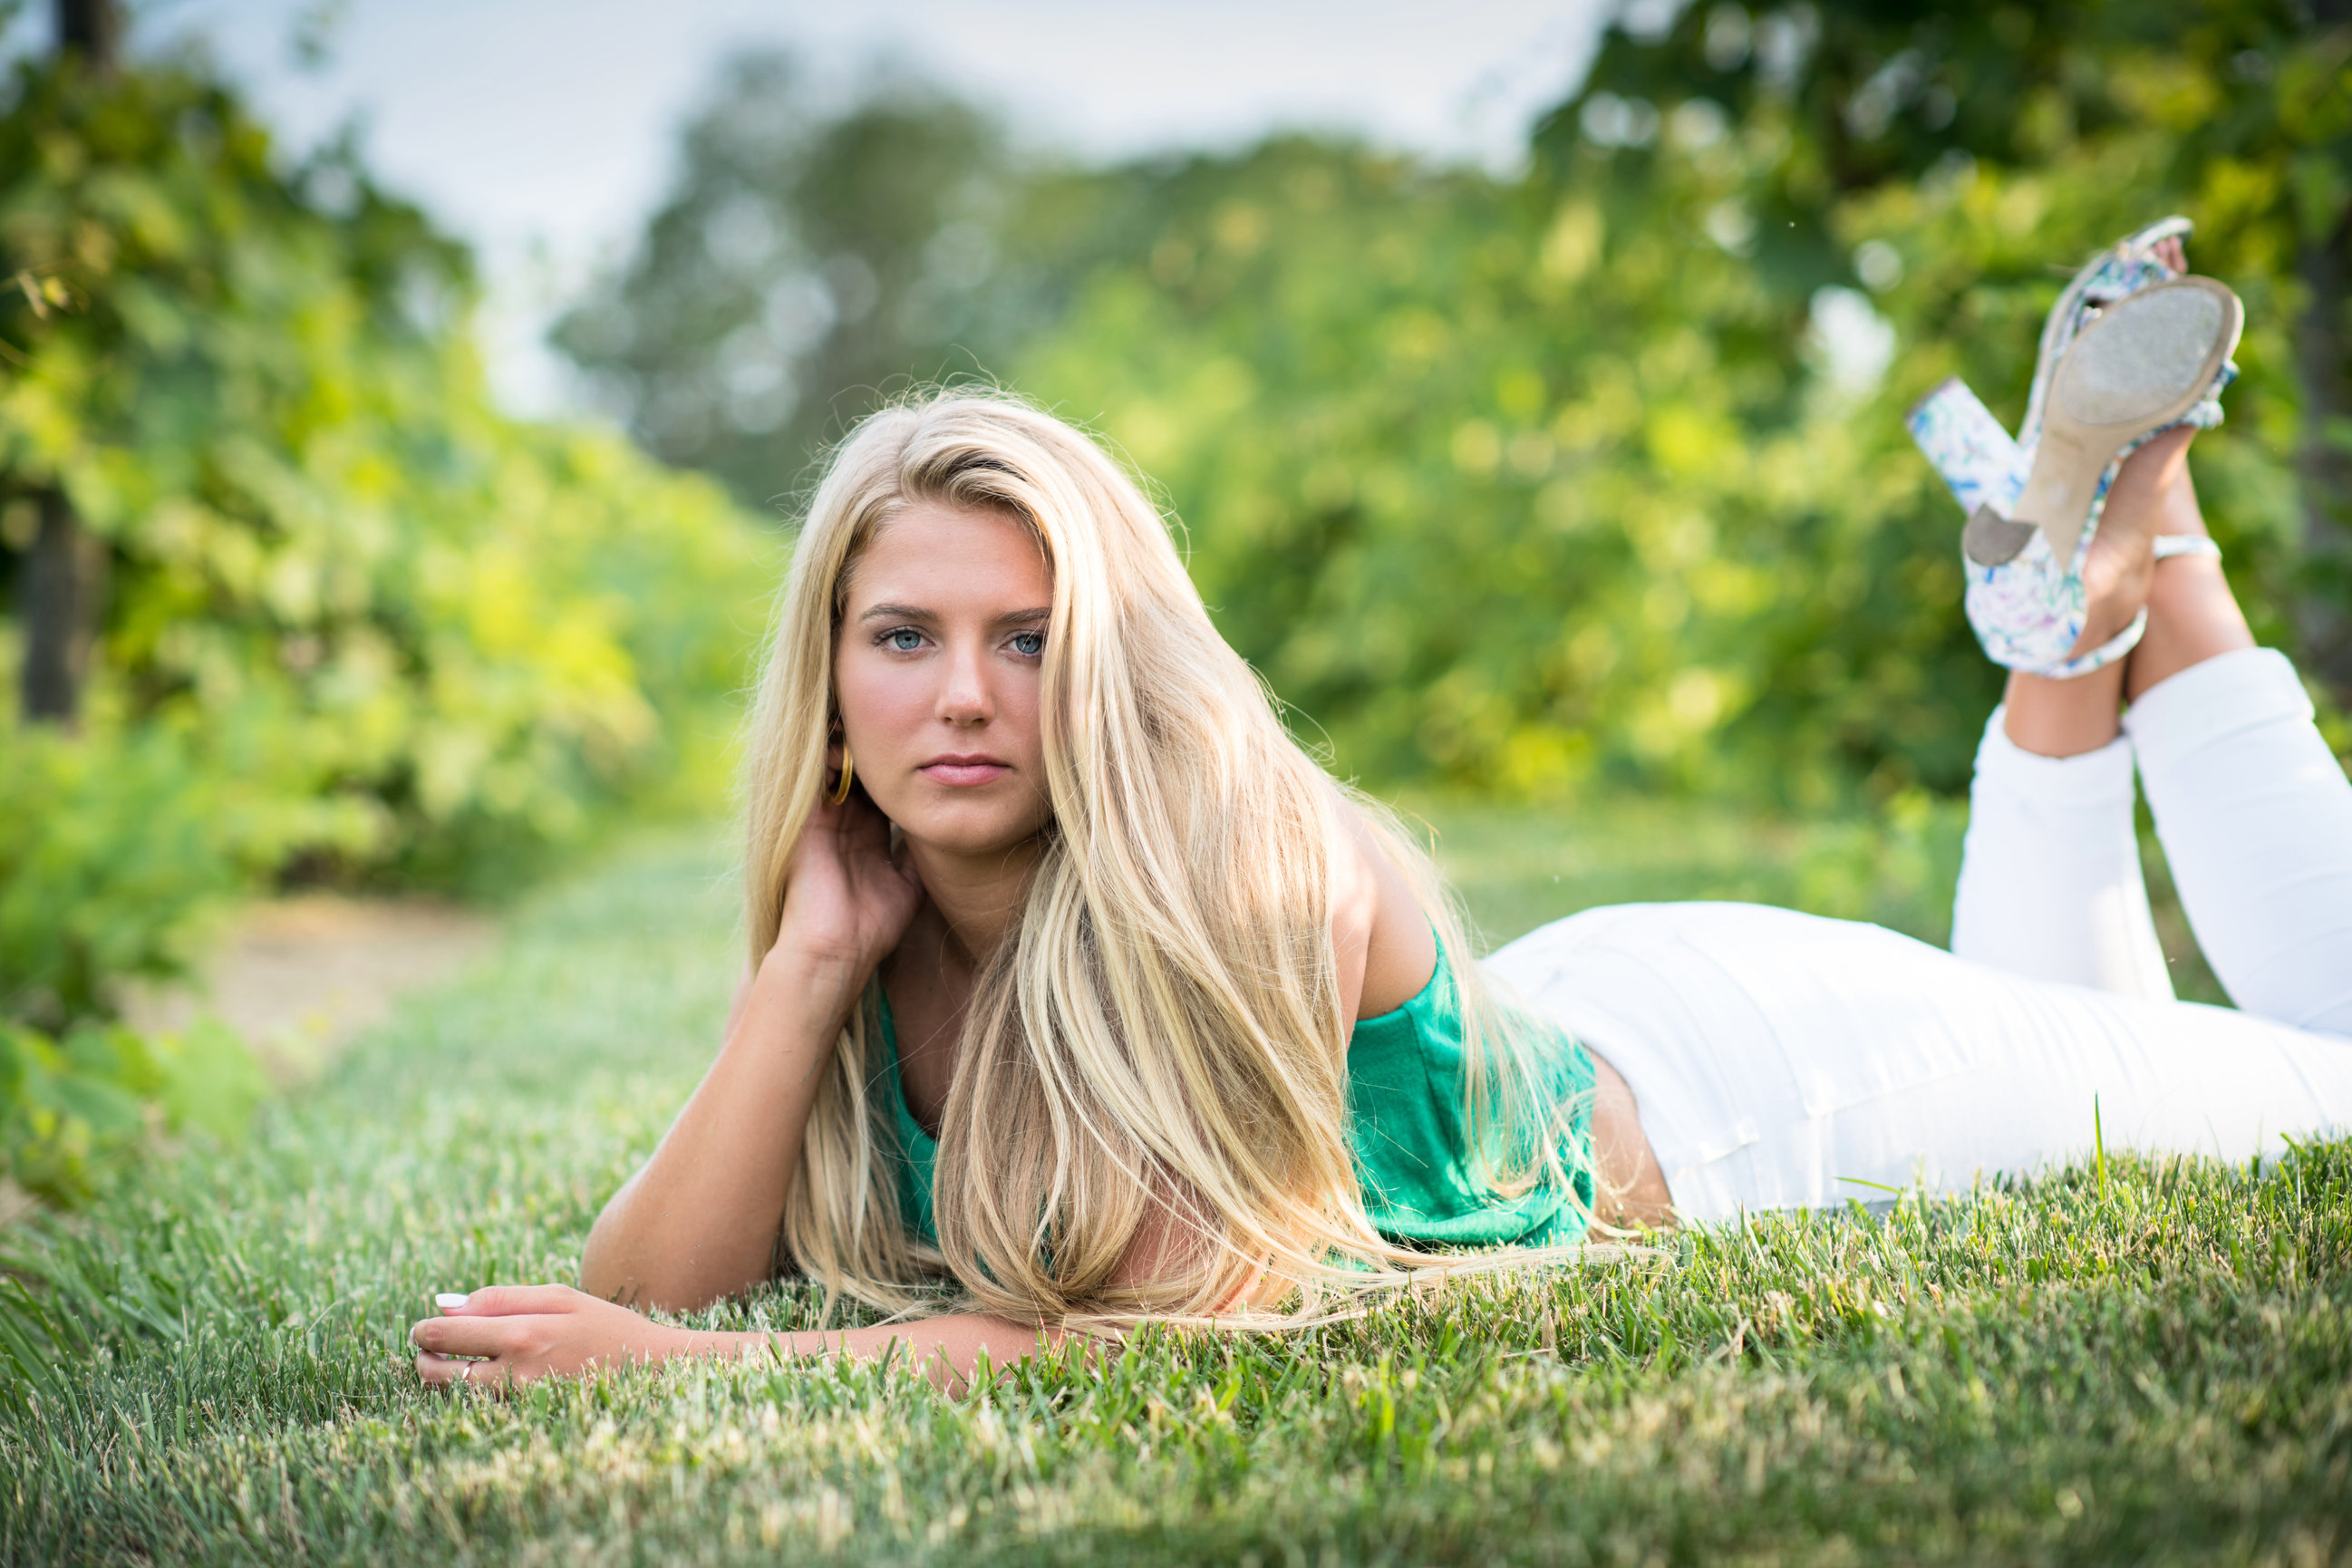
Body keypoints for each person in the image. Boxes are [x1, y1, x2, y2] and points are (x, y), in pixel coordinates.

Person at [410, 222, 2352, 1392]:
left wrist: (684, 1385)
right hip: (1575, 1012)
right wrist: (808, 964)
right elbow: (643, 1283)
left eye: (1027, 636)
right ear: (827, 680)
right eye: (901, 637)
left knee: (2319, 1082)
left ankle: (2103, 569)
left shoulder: (1227, 858)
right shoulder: (877, 914)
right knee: (2176, 1044)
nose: (965, 697)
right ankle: (2095, 565)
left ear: (1107, 655)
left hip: (1770, 1096)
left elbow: (1144, 1325)